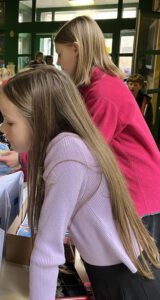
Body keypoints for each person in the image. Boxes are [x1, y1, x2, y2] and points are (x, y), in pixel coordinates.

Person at [0, 66, 160, 300]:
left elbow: (47, 250)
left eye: (9, 122)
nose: (3, 130)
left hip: (127, 283)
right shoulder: (63, 146)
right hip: (114, 274)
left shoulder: (67, 151)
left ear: (39, 118)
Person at [54, 15, 160, 248]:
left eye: (60, 54)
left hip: (139, 193)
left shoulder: (103, 93)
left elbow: (83, 154)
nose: (59, 63)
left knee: (137, 280)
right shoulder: (91, 88)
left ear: (76, 49)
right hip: (130, 191)